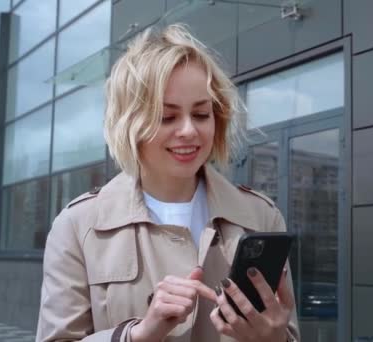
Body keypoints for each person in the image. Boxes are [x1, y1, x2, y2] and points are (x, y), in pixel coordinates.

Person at [36, 23, 300, 342]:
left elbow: (288, 333)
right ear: (129, 122)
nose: (189, 130)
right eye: (166, 116)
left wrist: (275, 339)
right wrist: (136, 336)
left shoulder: (261, 216)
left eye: (201, 114)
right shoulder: (78, 226)